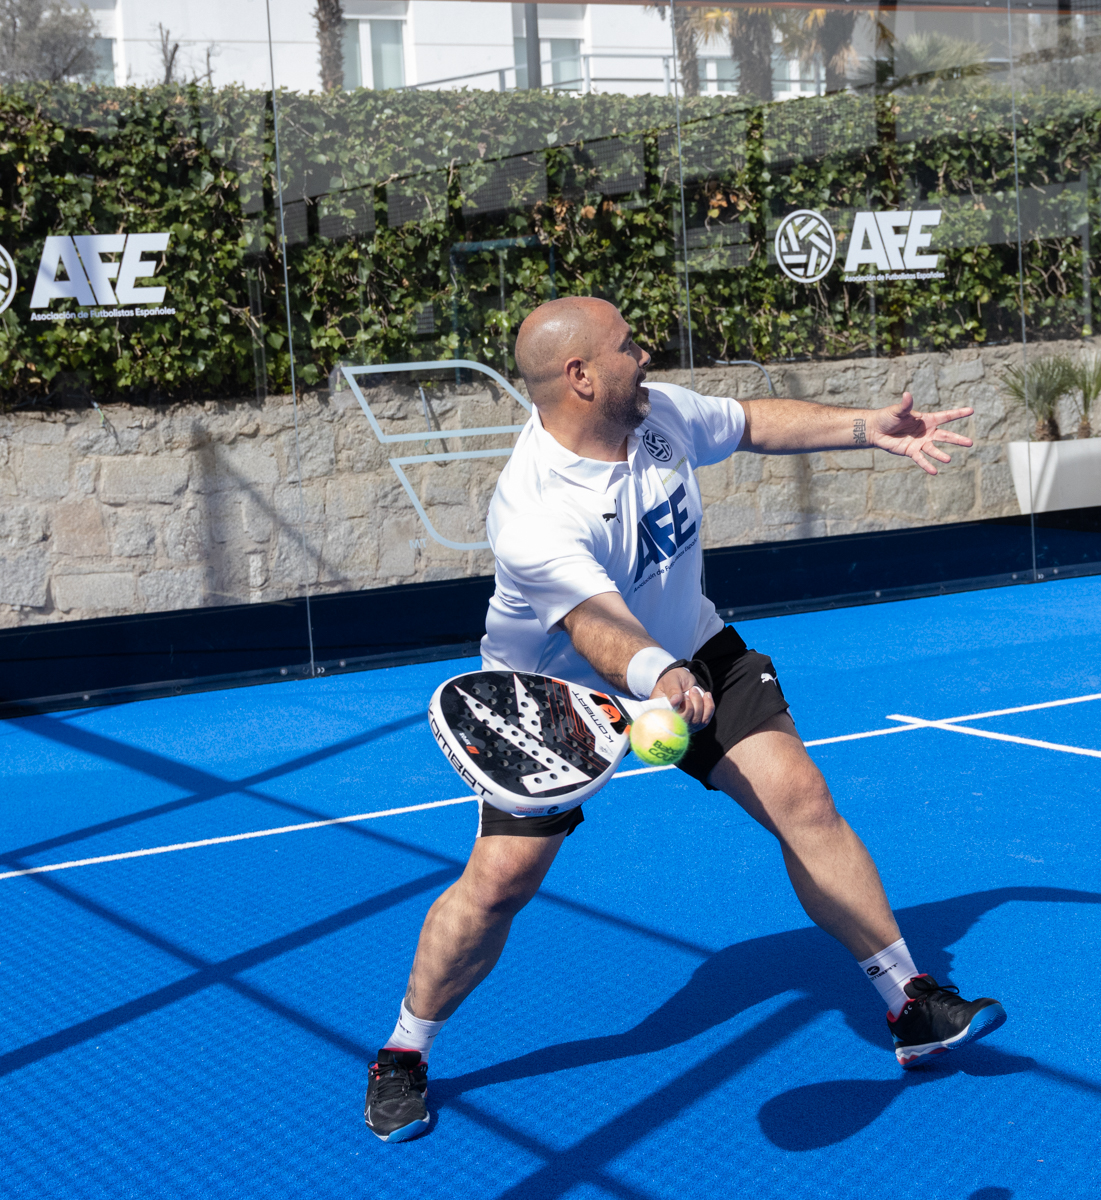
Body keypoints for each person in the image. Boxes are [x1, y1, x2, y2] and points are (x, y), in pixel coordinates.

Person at [364, 297, 1005, 1143]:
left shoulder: (656, 414)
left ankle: (908, 1001)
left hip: (695, 650)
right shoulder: (533, 510)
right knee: (498, 886)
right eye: (626, 345)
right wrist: (657, 675)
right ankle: (404, 1051)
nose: (645, 354)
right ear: (579, 376)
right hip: (555, 703)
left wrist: (865, 427)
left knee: (801, 798)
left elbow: (749, 423)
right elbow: (596, 625)